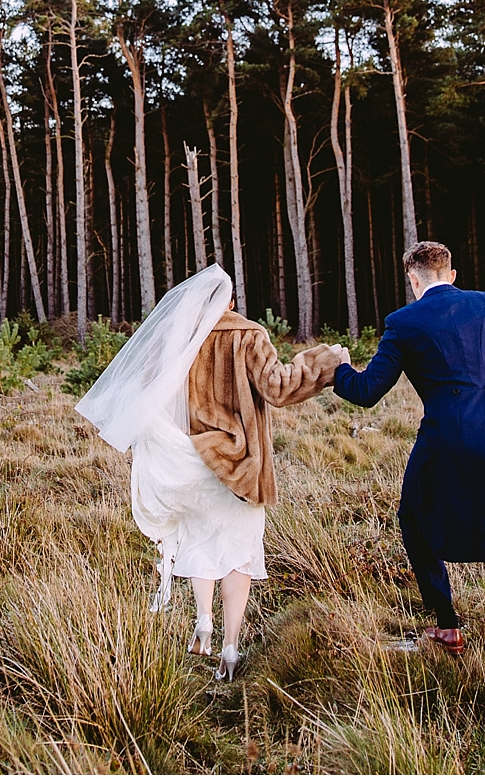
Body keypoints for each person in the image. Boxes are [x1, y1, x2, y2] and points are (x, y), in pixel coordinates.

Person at [331, 240, 485, 743]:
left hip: (446, 441)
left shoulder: (404, 322)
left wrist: (338, 366)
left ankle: (447, 624)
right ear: (452, 273)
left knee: (413, 518)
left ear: (413, 279)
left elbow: (365, 393)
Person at [75, 264, 348, 680]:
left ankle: (203, 620)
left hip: (190, 460)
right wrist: (324, 362)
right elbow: (278, 388)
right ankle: (231, 647)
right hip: (238, 464)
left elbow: (147, 396)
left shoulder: (178, 341)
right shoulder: (248, 335)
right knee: (238, 554)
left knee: (200, 544)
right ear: (231, 302)